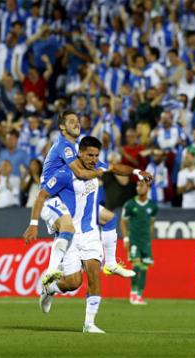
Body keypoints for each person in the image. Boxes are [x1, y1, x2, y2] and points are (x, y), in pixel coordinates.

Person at [23, 111, 151, 286]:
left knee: (108, 218)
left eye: (78, 121)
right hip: (51, 197)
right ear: (62, 127)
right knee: (68, 227)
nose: (77, 123)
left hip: (69, 194)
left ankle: (111, 264)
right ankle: (51, 271)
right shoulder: (64, 145)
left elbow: (112, 168)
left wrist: (137, 172)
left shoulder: (77, 148)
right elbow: (81, 173)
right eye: (72, 121)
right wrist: (33, 224)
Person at [29, 136, 109, 333]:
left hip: (89, 232)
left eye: (96, 155)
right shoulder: (65, 173)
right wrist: (33, 223)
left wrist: (135, 173)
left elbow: (117, 169)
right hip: (70, 232)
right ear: (79, 153)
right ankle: (50, 288)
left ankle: (89, 324)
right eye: (89, 155)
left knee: (94, 275)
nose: (93, 159)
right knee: (73, 283)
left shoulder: (97, 167)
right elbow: (42, 195)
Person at [121, 181, 157, 305]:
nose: (139, 187)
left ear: (148, 188)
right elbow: (123, 222)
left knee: (144, 268)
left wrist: (149, 240)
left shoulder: (152, 206)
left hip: (145, 242)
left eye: (141, 185)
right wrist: (126, 238)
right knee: (136, 266)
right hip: (134, 240)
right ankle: (133, 294)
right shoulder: (130, 204)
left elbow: (152, 224)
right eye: (137, 185)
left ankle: (140, 295)